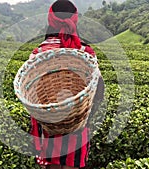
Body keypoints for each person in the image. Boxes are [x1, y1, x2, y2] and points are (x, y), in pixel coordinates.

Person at [28, 0, 104, 168]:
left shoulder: (39, 53)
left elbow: (30, 91)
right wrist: (84, 116)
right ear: (75, 19)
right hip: (77, 124)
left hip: (49, 126)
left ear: (50, 20)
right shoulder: (86, 53)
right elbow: (98, 90)